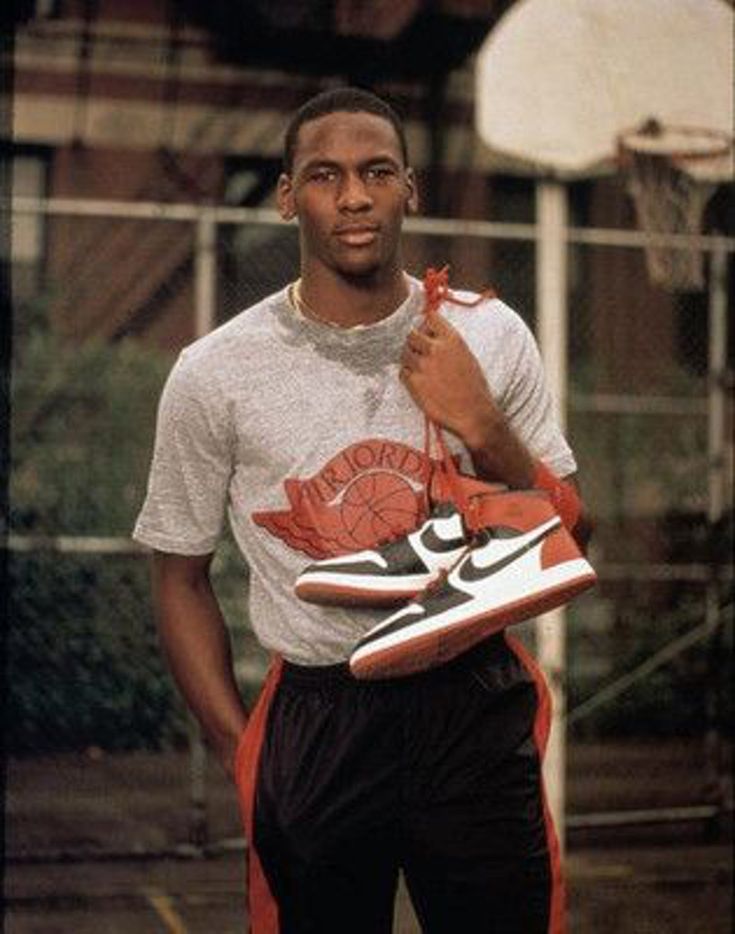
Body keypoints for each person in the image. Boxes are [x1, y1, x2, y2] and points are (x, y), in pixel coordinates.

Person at [134, 86, 590, 934]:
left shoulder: (486, 335)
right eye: (324, 175)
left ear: (409, 189)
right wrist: (246, 752)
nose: (353, 196)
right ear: (285, 197)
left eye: (376, 171)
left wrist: (484, 426)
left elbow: (571, 536)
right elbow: (178, 576)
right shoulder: (215, 372)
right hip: (318, 712)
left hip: (469, 700)